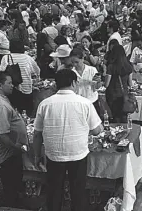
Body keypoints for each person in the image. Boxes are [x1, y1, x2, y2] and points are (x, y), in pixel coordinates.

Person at [33, 69, 103, 211]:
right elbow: (97, 130)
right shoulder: (85, 103)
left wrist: (36, 155)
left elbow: (37, 133)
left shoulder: (45, 104)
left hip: (54, 155)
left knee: (54, 191)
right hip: (77, 154)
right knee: (78, 191)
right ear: (73, 83)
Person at [0, 72, 28, 207]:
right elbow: (1, 134)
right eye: (9, 83)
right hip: (8, 152)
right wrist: (15, 148)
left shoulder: (0, 100)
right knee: (11, 183)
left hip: (10, 150)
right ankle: (12, 206)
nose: (12, 86)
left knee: (13, 182)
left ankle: (15, 203)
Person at [0, 39, 40, 115]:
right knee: (28, 113)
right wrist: (34, 79)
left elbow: (1, 71)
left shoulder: (6, 58)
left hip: (12, 89)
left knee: (14, 112)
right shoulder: (27, 58)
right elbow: (37, 70)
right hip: (27, 88)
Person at [105, 44, 133, 123]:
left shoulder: (111, 67)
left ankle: (117, 131)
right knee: (124, 114)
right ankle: (126, 131)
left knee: (115, 115)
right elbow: (130, 84)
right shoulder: (129, 66)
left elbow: (106, 84)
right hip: (124, 94)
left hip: (112, 95)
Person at [70, 48, 101, 115]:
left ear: (82, 59)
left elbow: (97, 88)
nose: (74, 65)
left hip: (92, 102)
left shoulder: (92, 70)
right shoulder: (71, 73)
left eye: (76, 62)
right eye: (72, 62)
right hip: (78, 104)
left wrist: (98, 82)